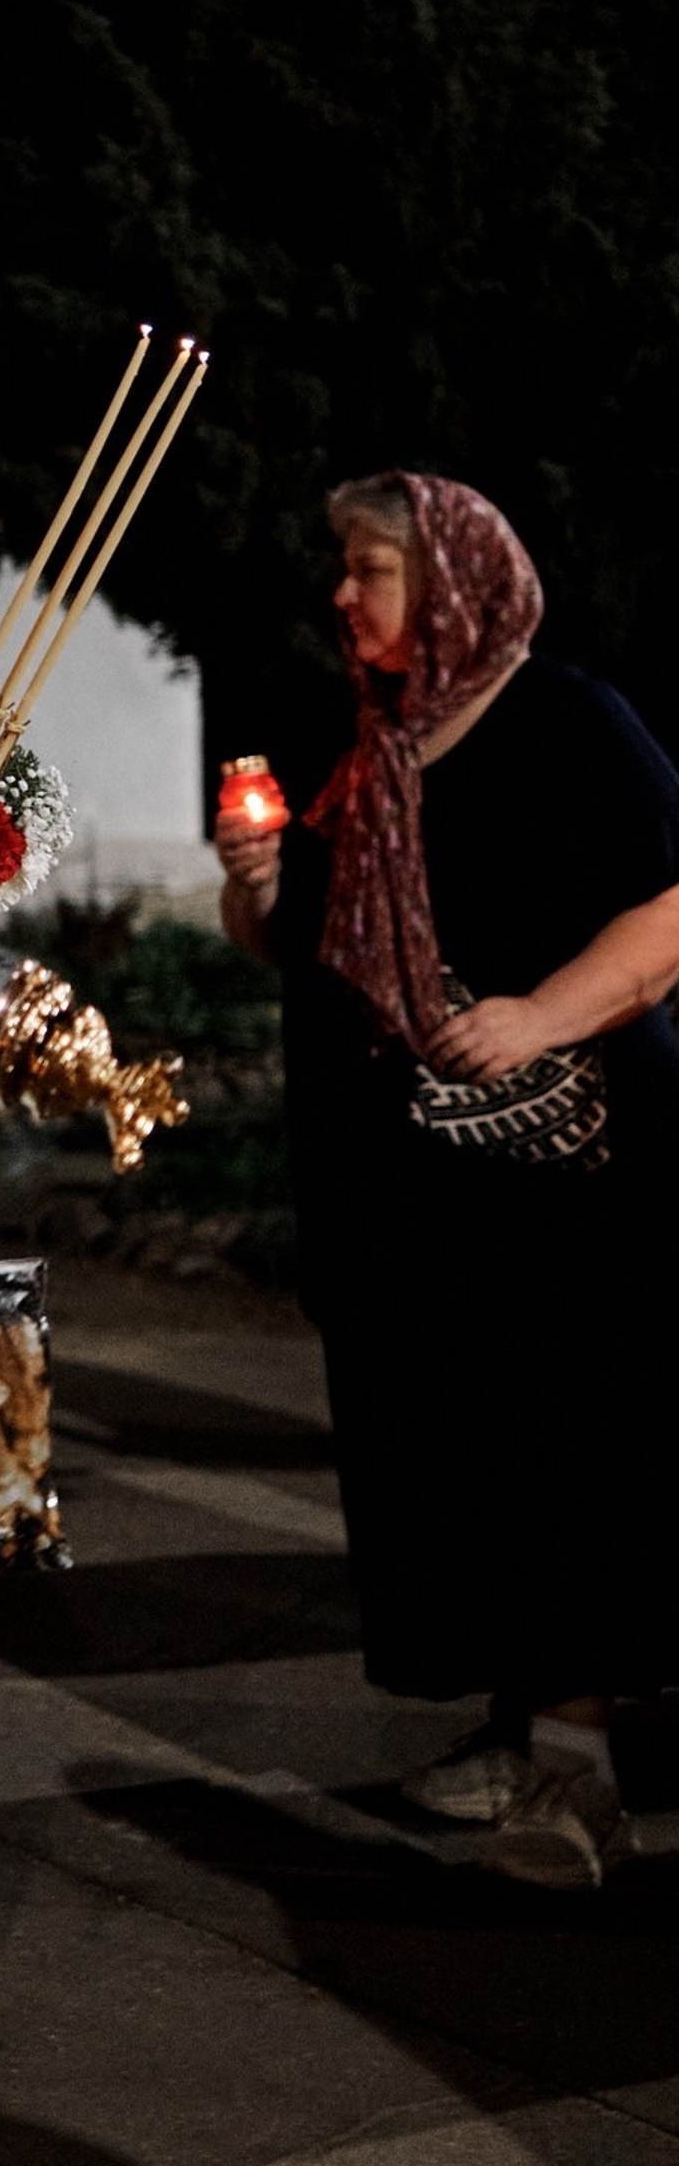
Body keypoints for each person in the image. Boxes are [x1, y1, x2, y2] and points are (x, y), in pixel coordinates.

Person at [215, 472, 679, 1890]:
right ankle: (515, 1722)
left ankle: (579, 1769)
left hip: (560, 1175)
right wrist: (254, 880)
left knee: (564, 1447)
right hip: (416, 1192)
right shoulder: (378, 746)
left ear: (459, 583)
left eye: (371, 572)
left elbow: (674, 904)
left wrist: (542, 1013)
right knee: (460, 1456)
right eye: (344, 571)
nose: (344, 599)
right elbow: (301, 949)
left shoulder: (567, 722)